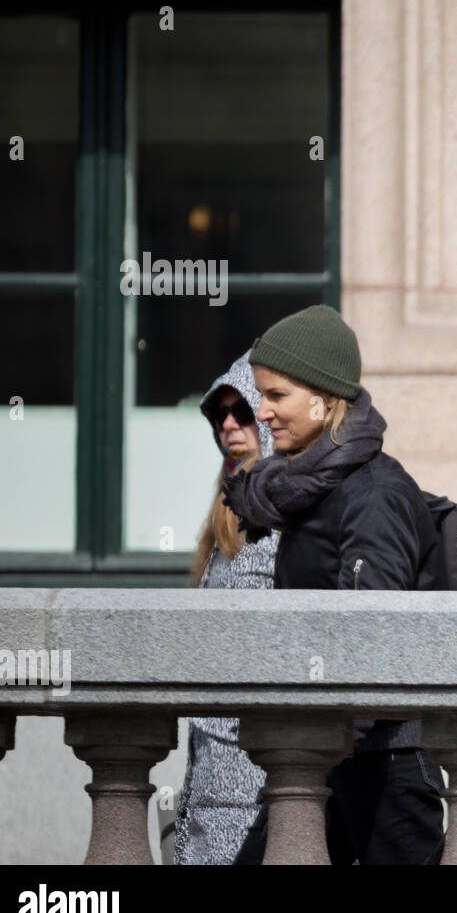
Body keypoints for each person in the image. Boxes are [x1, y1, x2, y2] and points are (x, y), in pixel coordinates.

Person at [222, 304, 448, 865]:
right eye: (262, 395)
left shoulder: (373, 492)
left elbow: (372, 630)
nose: (263, 413)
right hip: (327, 751)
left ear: (323, 398)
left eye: (277, 396)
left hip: (383, 762)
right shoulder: (311, 486)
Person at [174, 350, 276, 865]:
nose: (230, 426)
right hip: (208, 761)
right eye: (220, 416)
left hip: (255, 766)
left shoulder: (284, 522)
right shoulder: (224, 520)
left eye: (244, 412)